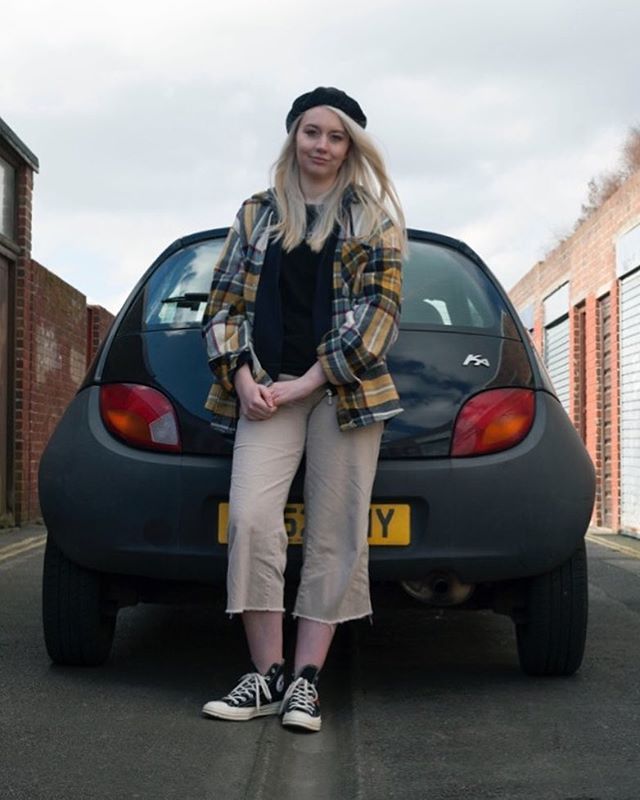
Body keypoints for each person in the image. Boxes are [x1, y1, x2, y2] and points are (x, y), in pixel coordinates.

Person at [200, 87, 406, 732]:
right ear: (294, 136)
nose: (321, 145)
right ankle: (267, 676)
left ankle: (307, 683)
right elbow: (223, 304)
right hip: (265, 390)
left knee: (337, 531)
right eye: (311, 132)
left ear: (351, 146)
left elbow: (381, 316)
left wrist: (308, 381)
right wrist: (240, 377)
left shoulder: (374, 218)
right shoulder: (257, 214)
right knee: (256, 520)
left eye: (335, 136)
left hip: (342, 389)